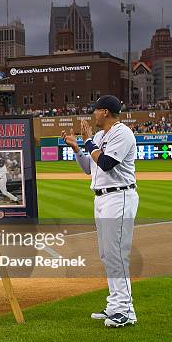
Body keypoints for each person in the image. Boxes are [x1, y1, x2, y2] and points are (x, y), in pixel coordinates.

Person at [61, 95, 139, 328]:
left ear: (105, 112)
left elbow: (106, 163)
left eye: (95, 110)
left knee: (117, 253)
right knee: (107, 255)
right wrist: (77, 149)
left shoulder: (122, 133)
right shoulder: (98, 136)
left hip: (120, 196)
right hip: (102, 198)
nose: (92, 114)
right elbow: (89, 168)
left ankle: (126, 310)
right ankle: (115, 305)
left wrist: (87, 143)